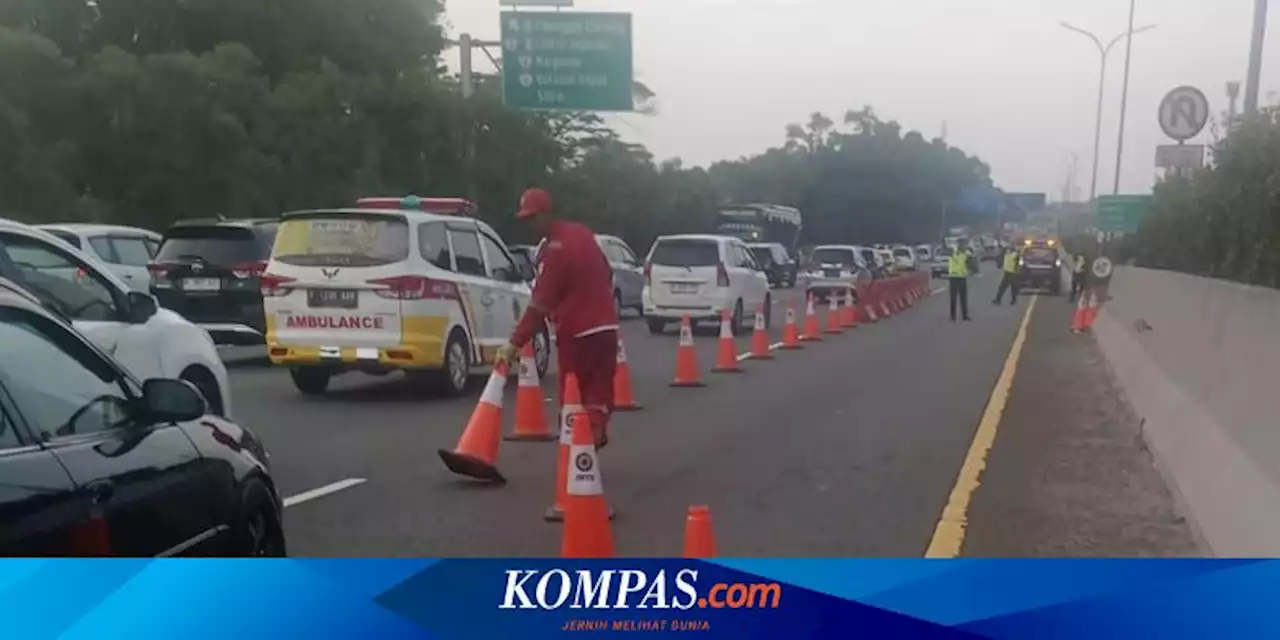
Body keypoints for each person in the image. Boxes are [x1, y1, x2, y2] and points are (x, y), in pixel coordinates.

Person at [494, 188, 619, 450]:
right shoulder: (582, 233)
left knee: (572, 391)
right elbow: (606, 273)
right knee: (599, 390)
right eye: (525, 220)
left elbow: (540, 303)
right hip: (607, 328)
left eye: (532, 218)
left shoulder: (555, 250)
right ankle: (593, 437)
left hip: (578, 333)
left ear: (545, 214)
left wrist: (514, 343)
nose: (529, 226)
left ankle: (577, 455)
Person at [948, 242, 972, 321]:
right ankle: (953, 316)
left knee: (963, 298)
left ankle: (964, 315)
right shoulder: (952, 253)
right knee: (954, 298)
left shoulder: (964, 254)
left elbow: (971, 255)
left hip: (961, 277)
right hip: (954, 277)